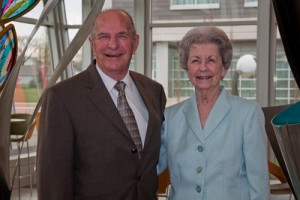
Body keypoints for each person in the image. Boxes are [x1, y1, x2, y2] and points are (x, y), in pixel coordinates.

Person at [36, 8, 166, 200]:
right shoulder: (61, 98)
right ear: (92, 44)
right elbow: (53, 183)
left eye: (122, 35)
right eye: (104, 36)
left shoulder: (154, 91)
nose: (113, 45)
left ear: (135, 42)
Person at [157, 26, 270, 200]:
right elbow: (148, 169)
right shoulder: (170, 117)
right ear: (186, 68)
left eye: (211, 60)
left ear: (223, 68)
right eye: (195, 60)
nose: (203, 68)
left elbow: (259, 186)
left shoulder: (248, 114)